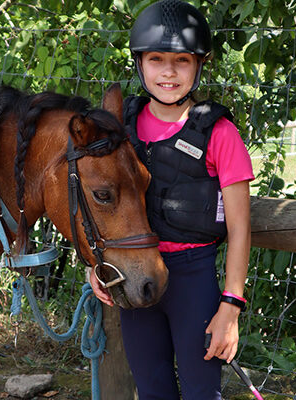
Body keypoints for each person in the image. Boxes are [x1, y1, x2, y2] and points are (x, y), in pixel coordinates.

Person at [89, 1, 254, 399]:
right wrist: (96, 265)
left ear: (198, 65)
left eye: (181, 60)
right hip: (134, 273)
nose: (168, 71)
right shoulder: (119, 129)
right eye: (156, 59)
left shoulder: (219, 133)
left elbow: (240, 227)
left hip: (193, 279)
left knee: (201, 391)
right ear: (140, 63)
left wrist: (230, 305)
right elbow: (98, 202)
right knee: (152, 389)